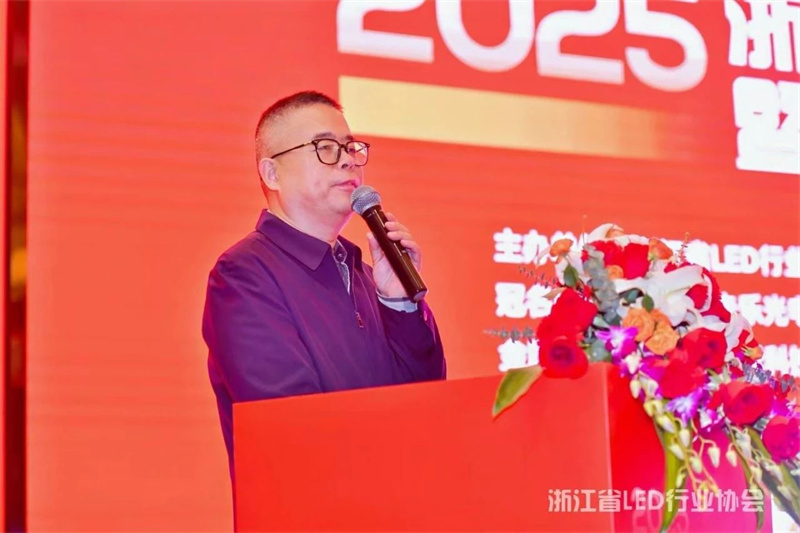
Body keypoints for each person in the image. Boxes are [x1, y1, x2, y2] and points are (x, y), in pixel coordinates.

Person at [202, 91, 447, 479]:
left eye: (350, 148)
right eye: (326, 148)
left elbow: (428, 406)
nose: (348, 159)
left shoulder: (366, 275)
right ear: (272, 173)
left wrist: (399, 304)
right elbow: (291, 424)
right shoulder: (243, 274)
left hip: (397, 500)